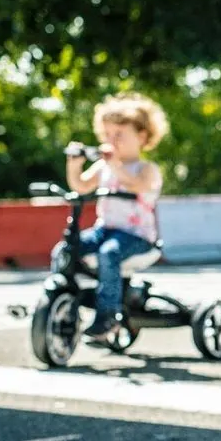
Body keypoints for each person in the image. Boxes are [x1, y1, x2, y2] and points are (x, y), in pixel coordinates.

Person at [64, 92, 168, 345]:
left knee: (109, 253)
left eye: (119, 135)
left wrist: (113, 165)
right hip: (106, 229)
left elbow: (136, 185)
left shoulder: (146, 169)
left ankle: (107, 316)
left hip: (137, 237)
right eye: (107, 135)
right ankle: (64, 298)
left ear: (142, 137)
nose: (111, 142)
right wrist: (74, 164)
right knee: (67, 248)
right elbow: (80, 186)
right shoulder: (104, 167)